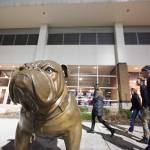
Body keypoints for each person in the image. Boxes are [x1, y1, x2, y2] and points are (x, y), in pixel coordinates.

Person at [140, 66, 150, 148]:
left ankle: (146, 138)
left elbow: (146, 96)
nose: (142, 74)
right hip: (147, 105)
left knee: (145, 121)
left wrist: (142, 85)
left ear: (147, 72)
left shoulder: (149, 80)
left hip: (147, 106)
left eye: (143, 72)